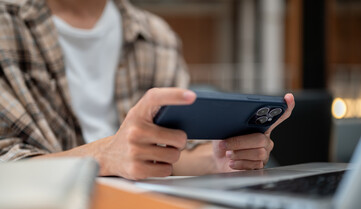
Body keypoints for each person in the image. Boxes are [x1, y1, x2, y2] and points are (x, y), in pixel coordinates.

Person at [0, 0, 294, 180]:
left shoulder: (157, 37)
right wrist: (105, 156)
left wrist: (217, 159)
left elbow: (167, 156)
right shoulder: (6, 28)